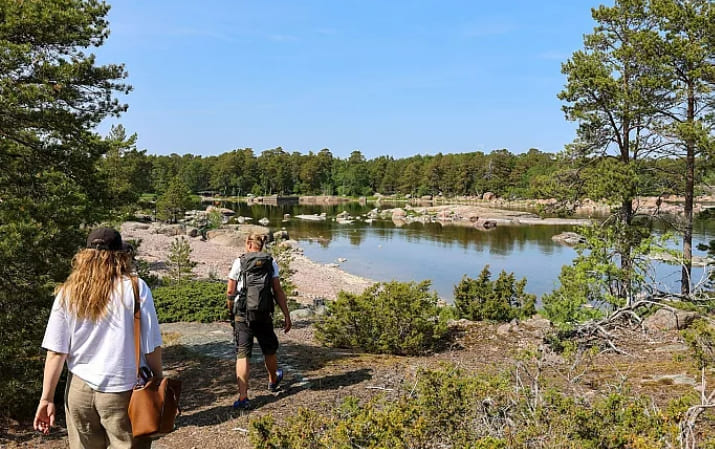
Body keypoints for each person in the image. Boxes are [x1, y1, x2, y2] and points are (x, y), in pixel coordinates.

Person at [33, 227, 163, 449]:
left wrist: (46, 398)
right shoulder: (135, 288)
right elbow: (151, 346)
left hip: (79, 391)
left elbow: (56, 352)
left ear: (85, 255)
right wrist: (158, 379)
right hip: (124, 389)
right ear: (121, 256)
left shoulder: (69, 292)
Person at [226, 233, 292, 409]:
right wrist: (286, 314)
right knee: (269, 349)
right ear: (261, 245)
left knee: (243, 353)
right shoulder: (271, 262)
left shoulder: (239, 262)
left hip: (242, 313)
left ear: (248, 244)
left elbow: (230, 291)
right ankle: (272, 380)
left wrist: (230, 310)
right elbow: (277, 290)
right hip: (263, 312)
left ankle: (243, 397)